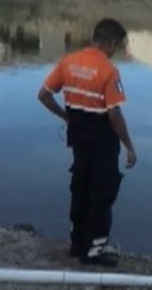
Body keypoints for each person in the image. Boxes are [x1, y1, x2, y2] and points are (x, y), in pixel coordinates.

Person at [37, 18, 137, 267]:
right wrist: (129, 146)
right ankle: (95, 249)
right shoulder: (108, 71)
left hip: (78, 137)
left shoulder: (68, 62)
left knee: (80, 187)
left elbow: (44, 95)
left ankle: (77, 243)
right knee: (102, 193)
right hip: (102, 140)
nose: (116, 52)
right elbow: (114, 114)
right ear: (111, 43)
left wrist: (65, 115)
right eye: (118, 46)